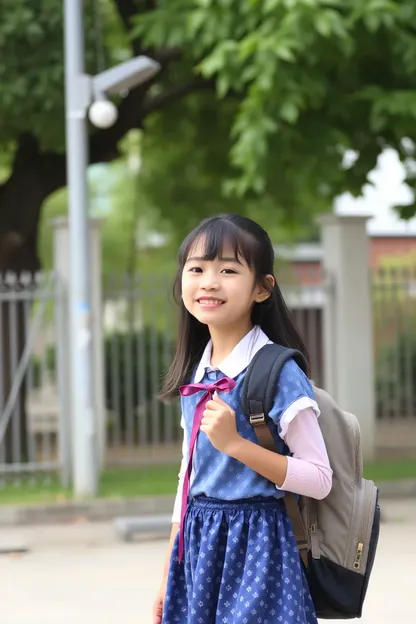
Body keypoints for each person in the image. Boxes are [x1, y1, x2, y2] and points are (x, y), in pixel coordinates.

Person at [153, 214, 332, 624]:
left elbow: (320, 479)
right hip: (198, 550)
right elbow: (187, 481)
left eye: (228, 270)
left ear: (262, 288)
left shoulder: (279, 373)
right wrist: (166, 574)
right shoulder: (197, 375)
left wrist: (237, 445)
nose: (209, 282)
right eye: (196, 268)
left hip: (259, 550)